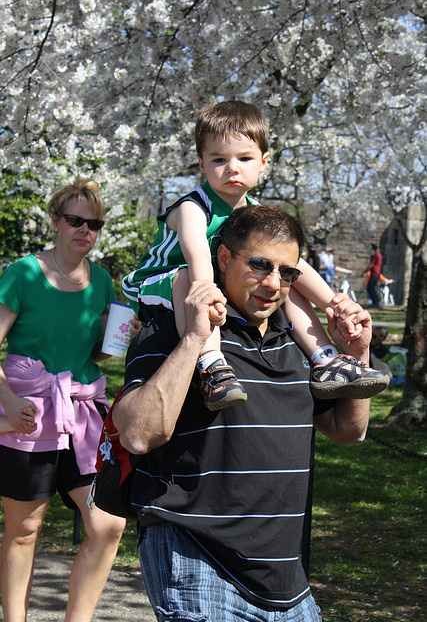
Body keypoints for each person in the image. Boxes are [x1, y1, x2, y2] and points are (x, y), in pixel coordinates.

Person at [113, 205, 384, 622]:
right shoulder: (173, 327)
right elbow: (137, 434)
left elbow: (347, 431)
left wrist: (356, 354)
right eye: (260, 265)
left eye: (288, 272)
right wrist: (194, 340)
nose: (274, 283)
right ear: (223, 259)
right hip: (199, 561)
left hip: (286, 579)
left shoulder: (300, 340)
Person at [123, 100, 387, 410]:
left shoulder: (253, 212)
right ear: (202, 163)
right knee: (187, 278)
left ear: (263, 162)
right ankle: (211, 366)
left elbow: (295, 263)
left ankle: (325, 358)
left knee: (282, 277)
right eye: (219, 159)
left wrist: (334, 304)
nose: (232, 168)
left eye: (244, 158)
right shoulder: (193, 207)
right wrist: (208, 293)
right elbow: (195, 256)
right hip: (160, 283)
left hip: (209, 280)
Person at [0, 180, 128, 622]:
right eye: (75, 220)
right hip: (29, 414)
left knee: (106, 524)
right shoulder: (24, 273)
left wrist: (111, 345)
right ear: (55, 220)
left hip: (81, 415)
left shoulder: (103, 280)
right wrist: (10, 403)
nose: (84, 231)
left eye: (94, 224)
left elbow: (92, 353)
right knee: (24, 530)